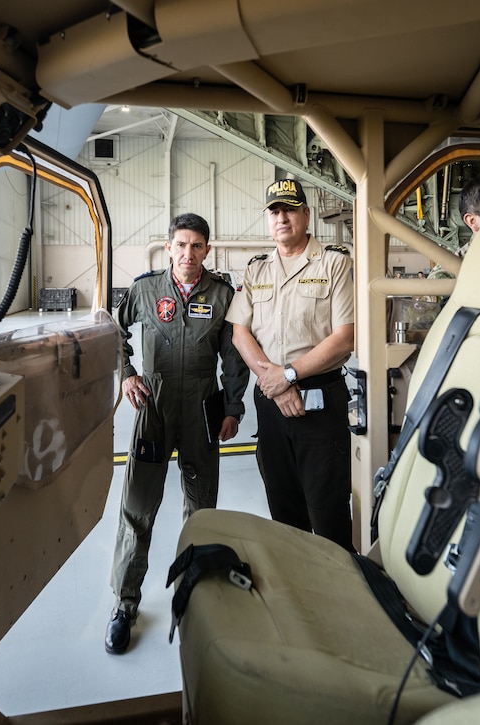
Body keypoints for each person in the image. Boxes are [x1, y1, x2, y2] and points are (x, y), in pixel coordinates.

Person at [106, 212, 249, 655]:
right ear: (168, 247)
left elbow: (235, 356)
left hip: (204, 405)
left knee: (201, 505)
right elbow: (113, 328)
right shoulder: (145, 290)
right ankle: (125, 603)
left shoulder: (222, 295)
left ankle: (194, 593)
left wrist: (232, 408)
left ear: (208, 249)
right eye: (181, 245)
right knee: (137, 504)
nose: (189, 254)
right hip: (155, 403)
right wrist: (127, 373)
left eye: (197, 246)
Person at [226, 179, 355, 551]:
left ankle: (338, 596)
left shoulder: (334, 262)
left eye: (290, 209)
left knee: (327, 510)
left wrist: (289, 375)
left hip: (319, 399)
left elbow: (345, 336)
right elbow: (240, 332)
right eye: (274, 211)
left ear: (306, 215)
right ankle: (296, 596)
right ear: (268, 220)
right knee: (283, 509)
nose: (281, 217)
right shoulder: (257, 269)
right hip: (270, 401)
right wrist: (275, 381)